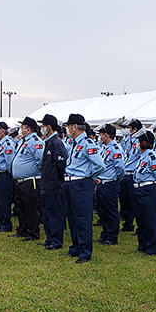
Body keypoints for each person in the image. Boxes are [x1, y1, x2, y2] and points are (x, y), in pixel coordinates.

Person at [62, 113, 104, 264]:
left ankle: (85, 252)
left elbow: (100, 165)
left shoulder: (87, 143)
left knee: (83, 218)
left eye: (68, 126)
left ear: (74, 127)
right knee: (72, 217)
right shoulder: (73, 142)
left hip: (81, 184)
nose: (66, 129)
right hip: (70, 183)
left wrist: (91, 177)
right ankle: (75, 248)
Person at [131, 129, 156, 255]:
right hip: (140, 190)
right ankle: (142, 245)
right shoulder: (142, 157)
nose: (136, 143)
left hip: (149, 190)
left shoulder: (152, 158)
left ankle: (153, 249)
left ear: (144, 143)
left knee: (150, 220)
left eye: (138, 141)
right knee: (141, 220)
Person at [11, 116, 45, 242]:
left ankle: (33, 233)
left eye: (22, 127)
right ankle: (22, 230)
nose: (20, 130)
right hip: (20, 181)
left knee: (31, 208)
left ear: (29, 129)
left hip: (31, 181)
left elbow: (42, 161)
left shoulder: (35, 142)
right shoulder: (24, 141)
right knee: (21, 207)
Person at [38, 114, 68, 250]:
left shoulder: (56, 143)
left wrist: (56, 181)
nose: (42, 128)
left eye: (43, 126)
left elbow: (62, 165)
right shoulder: (49, 142)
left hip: (54, 186)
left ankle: (57, 241)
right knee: (46, 214)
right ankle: (49, 238)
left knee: (55, 214)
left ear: (48, 127)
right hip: (46, 185)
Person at [94, 123, 125, 245]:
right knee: (102, 211)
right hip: (101, 184)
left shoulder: (115, 149)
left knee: (111, 211)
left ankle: (112, 237)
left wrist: (115, 179)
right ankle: (105, 234)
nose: (99, 137)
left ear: (106, 135)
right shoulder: (104, 148)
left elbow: (121, 169)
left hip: (110, 184)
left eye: (101, 134)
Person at [119, 118, 142, 233]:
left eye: (127, 128)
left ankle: (139, 226)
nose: (125, 130)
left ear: (134, 129)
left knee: (135, 202)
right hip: (125, 173)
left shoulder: (139, 142)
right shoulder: (126, 140)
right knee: (124, 201)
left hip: (133, 174)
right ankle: (127, 223)